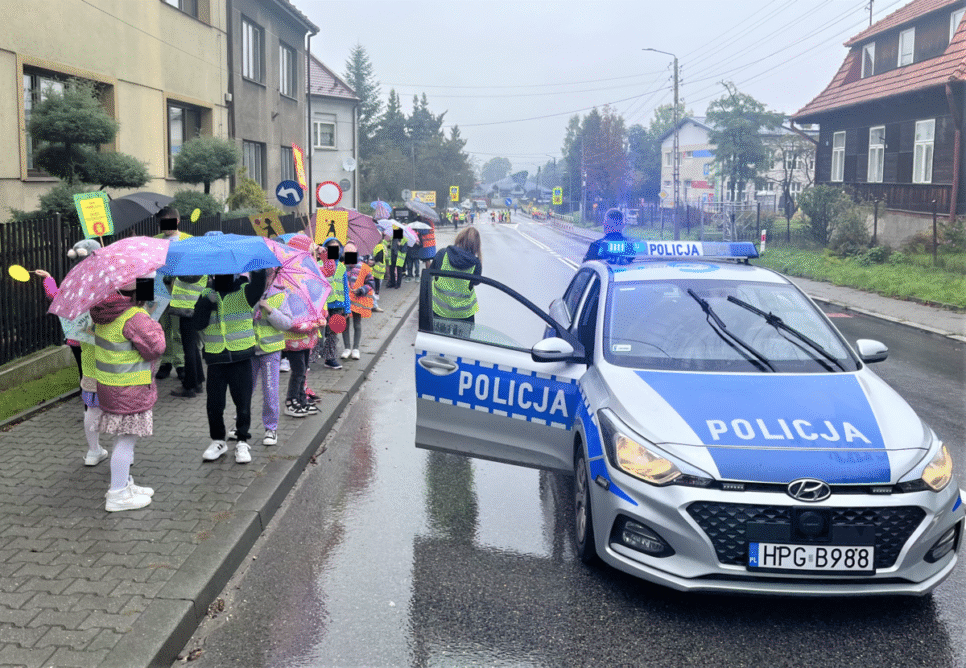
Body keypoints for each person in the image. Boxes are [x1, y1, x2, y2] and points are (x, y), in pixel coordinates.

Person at [90, 275, 166, 511]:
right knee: (126, 442)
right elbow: (156, 348)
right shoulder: (134, 317)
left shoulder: (105, 312)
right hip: (130, 388)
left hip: (110, 386)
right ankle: (118, 493)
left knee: (121, 438)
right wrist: (152, 324)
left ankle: (125, 483)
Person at [35, 239, 105, 467]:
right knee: (117, 401)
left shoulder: (75, 280)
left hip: (79, 343)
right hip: (108, 347)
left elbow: (57, 299)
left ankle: (93, 449)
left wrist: (48, 280)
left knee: (90, 393)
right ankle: (127, 453)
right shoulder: (106, 280)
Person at [192, 270, 267, 464]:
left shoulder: (243, 292)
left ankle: (242, 440)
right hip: (216, 357)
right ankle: (218, 440)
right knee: (214, 404)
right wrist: (207, 302)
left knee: (242, 403)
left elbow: (258, 286)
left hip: (241, 356)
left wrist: (258, 269)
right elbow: (198, 324)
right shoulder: (206, 294)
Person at [249, 268, 292, 445]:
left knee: (270, 391)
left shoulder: (280, 295)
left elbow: (287, 323)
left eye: (265, 275)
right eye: (256, 275)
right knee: (244, 390)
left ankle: (271, 428)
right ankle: (240, 424)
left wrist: (269, 309)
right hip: (249, 350)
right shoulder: (247, 292)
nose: (261, 279)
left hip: (270, 351)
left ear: (273, 275)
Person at [153, 207, 193, 381]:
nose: (165, 227)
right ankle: (166, 362)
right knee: (162, 329)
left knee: (177, 330)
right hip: (160, 291)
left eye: (168, 223)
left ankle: (180, 363)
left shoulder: (188, 240)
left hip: (181, 292)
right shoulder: (155, 241)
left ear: (177, 221)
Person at [431, 226, 482, 326]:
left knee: (440, 340)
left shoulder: (442, 254)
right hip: (464, 315)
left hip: (440, 312)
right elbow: (476, 282)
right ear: (476, 245)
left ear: (460, 238)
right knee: (462, 341)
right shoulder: (476, 263)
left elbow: (431, 273)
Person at [340, 242, 376, 360]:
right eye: (347, 254)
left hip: (358, 302)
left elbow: (371, 283)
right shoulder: (341, 266)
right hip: (345, 302)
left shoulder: (364, 267)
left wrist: (362, 290)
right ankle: (347, 348)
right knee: (345, 324)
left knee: (357, 324)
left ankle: (355, 348)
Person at [318, 237, 350, 369]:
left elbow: (345, 289)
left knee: (333, 333)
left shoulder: (342, 267)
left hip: (338, 305)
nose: (334, 250)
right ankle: (310, 358)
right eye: (331, 247)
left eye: (337, 248)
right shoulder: (319, 265)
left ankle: (330, 358)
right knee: (318, 333)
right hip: (323, 306)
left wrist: (347, 308)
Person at [371, 232, 389, 312]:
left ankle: (373, 305)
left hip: (375, 270)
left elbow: (379, 257)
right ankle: (374, 306)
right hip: (378, 271)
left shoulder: (377, 246)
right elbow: (381, 257)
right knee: (375, 290)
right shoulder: (381, 246)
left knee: (373, 289)